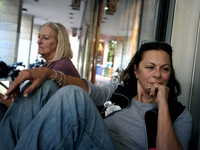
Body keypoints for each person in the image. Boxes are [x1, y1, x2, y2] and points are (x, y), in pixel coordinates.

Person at [0, 41, 192, 150]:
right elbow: (90, 89)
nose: (157, 75)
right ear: (136, 70)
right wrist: (49, 73)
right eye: (150, 67)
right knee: (45, 86)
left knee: (72, 96)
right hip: (87, 141)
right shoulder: (121, 92)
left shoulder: (179, 114)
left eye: (164, 69)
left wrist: (164, 104)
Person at [0, 22, 80, 110]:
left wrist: (11, 105)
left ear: (59, 43)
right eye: (39, 37)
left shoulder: (61, 67)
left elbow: (44, 111)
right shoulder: (48, 64)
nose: (39, 41)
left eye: (45, 38)